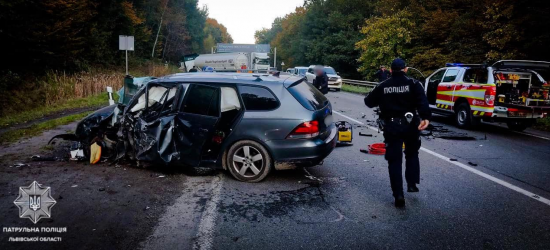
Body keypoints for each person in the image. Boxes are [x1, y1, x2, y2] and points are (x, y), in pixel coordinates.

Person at [364, 58, 431, 208]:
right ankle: (412, 183)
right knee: (412, 153)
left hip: (392, 126)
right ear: (405, 69)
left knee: (394, 160)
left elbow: (368, 102)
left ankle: (398, 195)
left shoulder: (383, 85)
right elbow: (423, 101)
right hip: (411, 125)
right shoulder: (414, 84)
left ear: (390, 70)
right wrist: (425, 117)